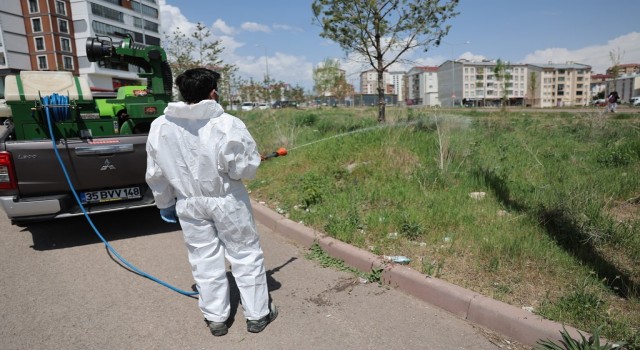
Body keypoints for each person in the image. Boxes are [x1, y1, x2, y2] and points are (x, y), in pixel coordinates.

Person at [145, 68, 277, 336]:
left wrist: (164, 203)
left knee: (203, 257)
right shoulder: (227, 123)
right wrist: (250, 163)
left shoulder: (160, 126)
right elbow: (243, 170)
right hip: (227, 200)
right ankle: (257, 315)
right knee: (244, 254)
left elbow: (155, 173)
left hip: (188, 203)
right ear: (213, 92)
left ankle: (216, 318)